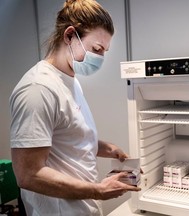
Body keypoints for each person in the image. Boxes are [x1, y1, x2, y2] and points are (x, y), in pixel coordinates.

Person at [9, 0, 141, 215]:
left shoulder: (71, 80)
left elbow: (67, 136)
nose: (100, 58)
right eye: (96, 49)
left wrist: (109, 149)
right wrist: (98, 190)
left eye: (104, 51)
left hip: (82, 206)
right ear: (70, 35)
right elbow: (28, 174)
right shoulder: (38, 89)